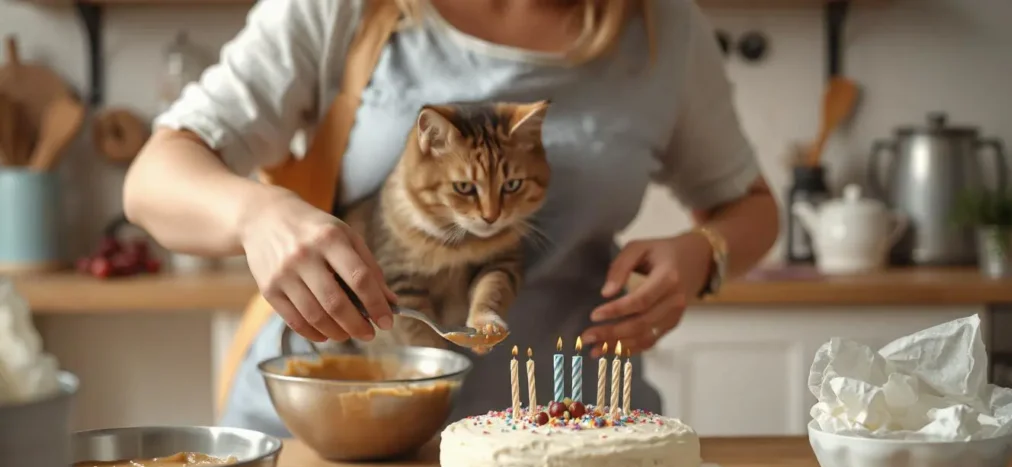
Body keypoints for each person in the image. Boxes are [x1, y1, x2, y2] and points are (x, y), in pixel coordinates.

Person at [124, 0, 779, 436]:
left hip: (571, 439)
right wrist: (255, 212)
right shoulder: (345, 9)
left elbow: (750, 206)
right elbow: (155, 176)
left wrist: (705, 253)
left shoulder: (664, 28)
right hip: (332, 435)